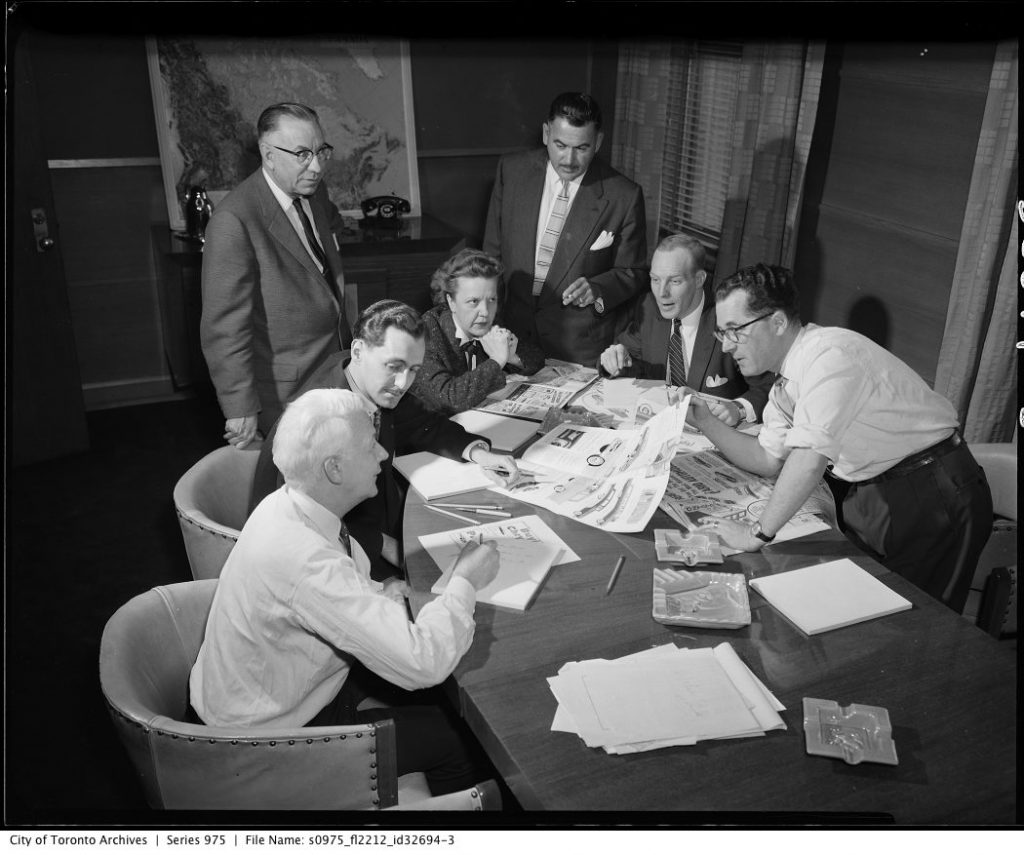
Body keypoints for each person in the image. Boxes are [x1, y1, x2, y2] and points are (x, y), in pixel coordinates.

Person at [190, 387, 500, 795]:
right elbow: (423, 663)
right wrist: (464, 580)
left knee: (439, 699)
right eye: (370, 445)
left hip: (284, 690)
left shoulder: (290, 504)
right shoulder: (301, 558)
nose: (383, 455)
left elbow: (328, 589)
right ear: (334, 469)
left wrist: (375, 592)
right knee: (460, 741)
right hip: (266, 744)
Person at [689, 263, 992, 612]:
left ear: (777, 322)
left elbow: (808, 458)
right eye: (721, 334)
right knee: (868, 611)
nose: (727, 346)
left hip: (932, 493)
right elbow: (766, 458)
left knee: (917, 624)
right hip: (879, 494)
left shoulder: (829, 356)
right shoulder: (786, 383)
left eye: (734, 331)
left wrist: (757, 533)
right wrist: (706, 422)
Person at [249, 300, 520, 577]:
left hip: (375, 528)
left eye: (413, 369)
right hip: (329, 559)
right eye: (394, 366)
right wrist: (385, 555)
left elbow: (424, 424)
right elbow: (309, 522)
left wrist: (479, 454)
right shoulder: (321, 420)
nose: (403, 383)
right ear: (357, 350)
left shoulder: (370, 384)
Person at [201, 102, 353, 449]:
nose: (316, 167)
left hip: (334, 372)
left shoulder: (313, 192)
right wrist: (240, 409)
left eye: (321, 151)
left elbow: (319, 245)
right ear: (268, 156)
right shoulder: (233, 221)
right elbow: (224, 328)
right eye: (302, 154)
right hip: (284, 394)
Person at [483, 92, 647, 366]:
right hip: (511, 337)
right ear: (546, 133)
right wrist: (492, 323)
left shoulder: (624, 196)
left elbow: (634, 272)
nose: (569, 159)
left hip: (579, 348)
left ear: (598, 143)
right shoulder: (511, 172)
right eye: (560, 144)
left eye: (581, 148)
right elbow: (492, 256)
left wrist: (597, 288)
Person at [599, 234, 773, 425]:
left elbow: (769, 386)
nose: (662, 293)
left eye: (674, 281)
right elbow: (631, 361)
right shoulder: (648, 307)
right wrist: (614, 362)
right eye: (655, 280)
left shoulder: (729, 317)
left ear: (699, 279)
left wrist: (738, 408)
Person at [411, 248, 545, 415]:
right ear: (451, 302)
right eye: (473, 301)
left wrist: (513, 358)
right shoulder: (425, 333)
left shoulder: (487, 321)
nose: (486, 312)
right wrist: (496, 361)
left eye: (492, 299)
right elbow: (449, 399)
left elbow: (536, 357)